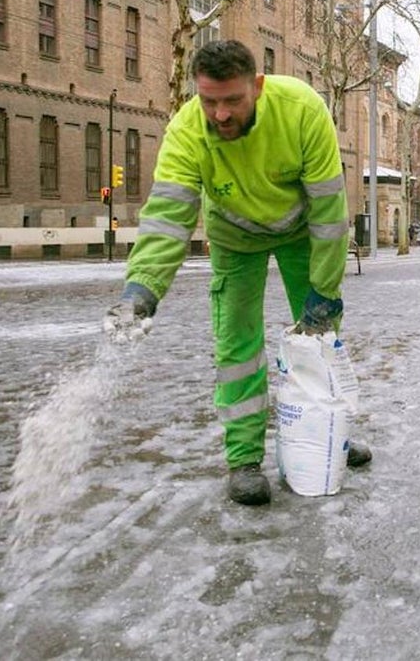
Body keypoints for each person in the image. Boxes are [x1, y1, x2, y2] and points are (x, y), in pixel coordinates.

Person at [102, 40, 371, 507]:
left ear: (258, 86)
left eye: (232, 100)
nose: (220, 114)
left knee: (320, 340)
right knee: (238, 346)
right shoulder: (187, 130)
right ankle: (244, 459)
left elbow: (330, 213)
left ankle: (333, 437)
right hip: (234, 238)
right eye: (209, 101)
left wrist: (324, 292)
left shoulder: (303, 110)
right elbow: (168, 215)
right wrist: (141, 288)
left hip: (301, 234)